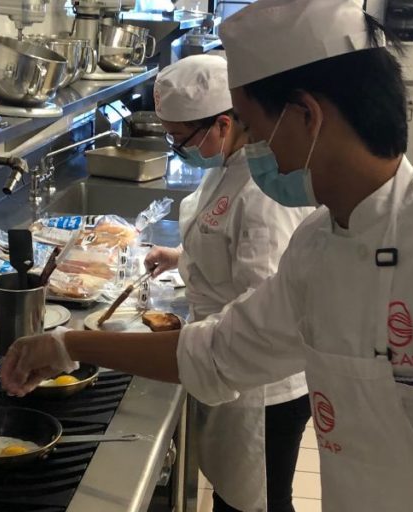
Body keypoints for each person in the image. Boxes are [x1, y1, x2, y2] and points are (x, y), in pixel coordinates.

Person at [1, 1, 413, 510]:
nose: (243, 143)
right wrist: (68, 346)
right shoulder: (318, 249)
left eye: (246, 122)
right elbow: (214, 353)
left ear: (306, 117)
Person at [146, 54, 314, 512]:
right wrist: (181, 257)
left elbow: (264, 298)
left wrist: (195, 345)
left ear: (222, 123)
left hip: (262, 387)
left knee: (260, 502)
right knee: (234, 496)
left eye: (180, 139)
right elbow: (229, 246)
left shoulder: (263, 190)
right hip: (229, 364)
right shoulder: (228, 161)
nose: (176, 147)